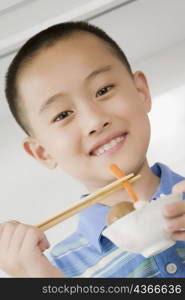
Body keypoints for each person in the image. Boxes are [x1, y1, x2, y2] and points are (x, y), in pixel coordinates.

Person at [1, 21, 185, 278]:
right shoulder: (53, 271)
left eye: (103, 90)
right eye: (63, 114)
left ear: (141, 91)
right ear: (42, 152)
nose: (94, 121)